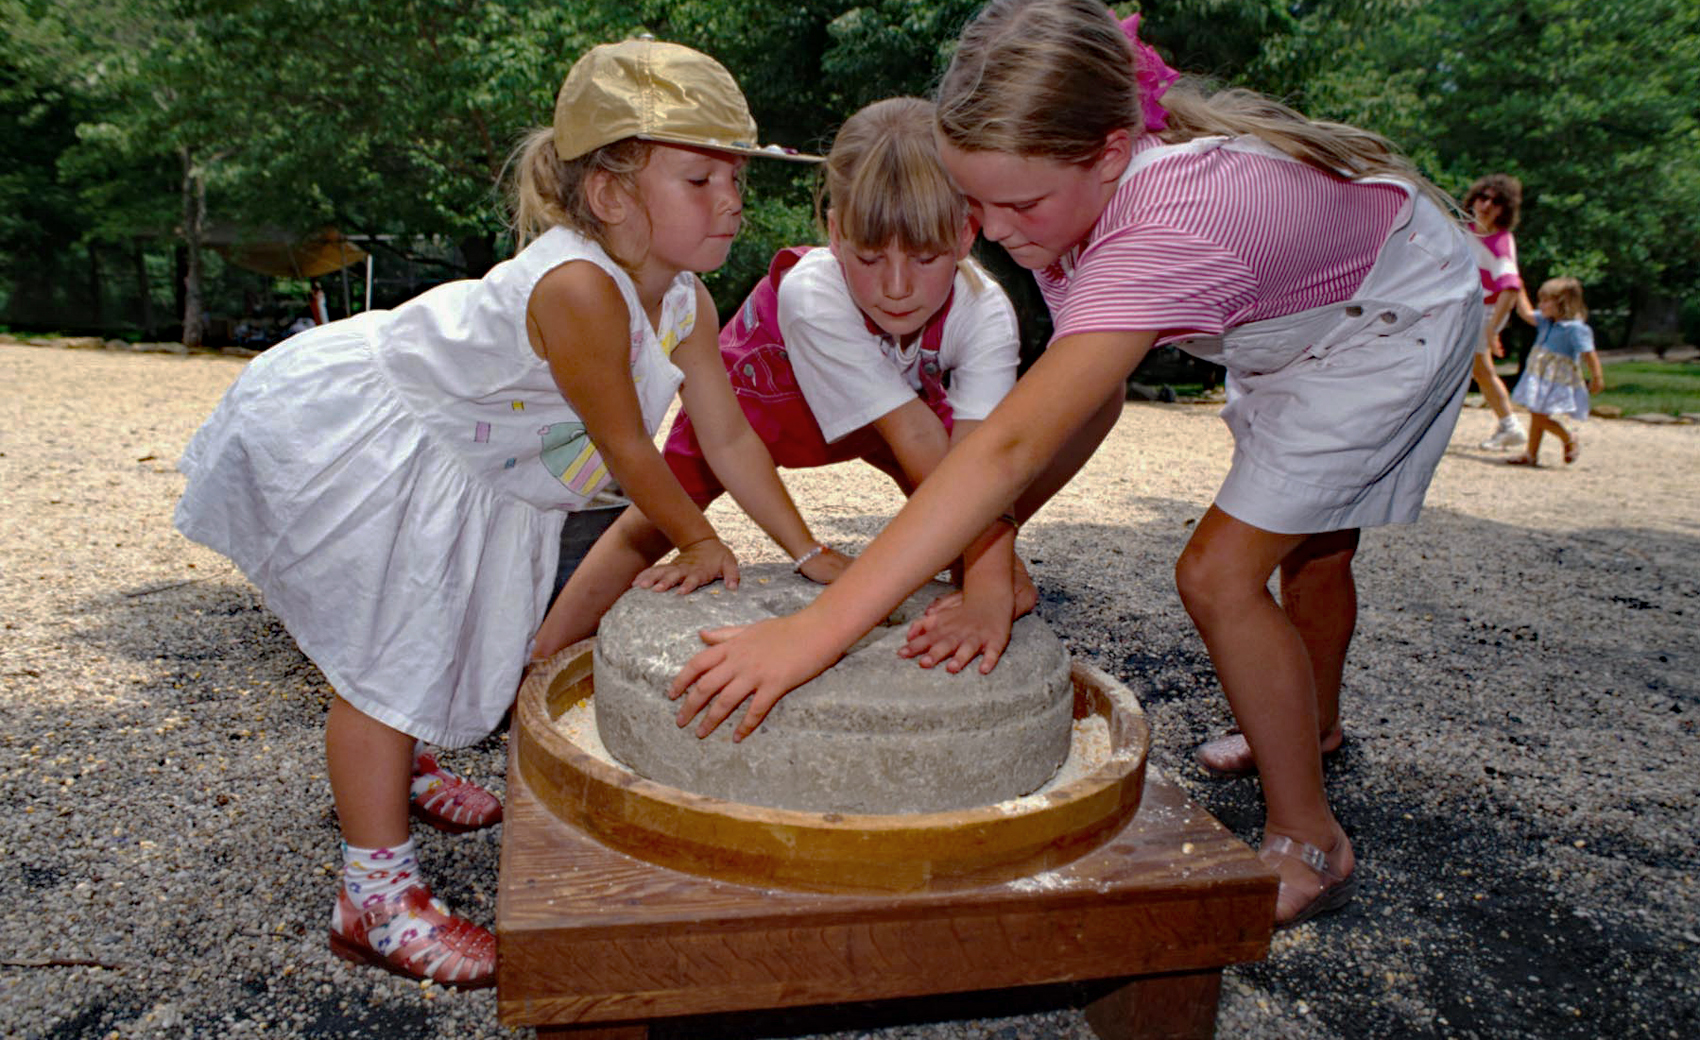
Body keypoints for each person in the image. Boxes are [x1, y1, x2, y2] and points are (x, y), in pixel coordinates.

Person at [666, 0, 1483, 929]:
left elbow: (1008, 446)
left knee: (1218, 573)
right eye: (977, 203)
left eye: (1015, 206)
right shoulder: (1063, 209)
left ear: (1107, 155)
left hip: (1387, 321)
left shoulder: (1157, 228)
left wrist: (816, 632)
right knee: (1317, 547)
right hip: (1292, 323)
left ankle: (1311, 835)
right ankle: (1312, 725)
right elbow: (1082, 404)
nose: (998, 230)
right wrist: (993, 550)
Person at [173, 37, 823, 987]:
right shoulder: (579, 290)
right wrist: (697, 536)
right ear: (610, 194)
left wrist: (807, 553)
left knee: (446, 634)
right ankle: (374, 895)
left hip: (492, 479)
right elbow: (631, 449)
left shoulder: (684, 296)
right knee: (384, 659)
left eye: (735, 177)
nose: (732, 201)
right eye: (701, 178)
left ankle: (407, 769)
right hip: (402, 449)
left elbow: (726, 438)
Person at [533, 96, 1030, 666]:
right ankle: (543, 658)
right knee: (649, 523)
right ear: (836, 232)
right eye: (869, 258)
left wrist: (991, 583)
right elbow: (917, 440)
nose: (897, 287)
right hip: (761, 400)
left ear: (966, 235)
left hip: (891, 412)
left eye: (924, 259)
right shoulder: (812, 292)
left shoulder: (985, 312)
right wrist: (808, 550)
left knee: (972, 500)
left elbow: (982, 461)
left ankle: (977, 577)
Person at [1464, 174, 1530, 450]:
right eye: (1483, 197)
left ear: (1506, 209)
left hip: (1483, 311)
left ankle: (1510, 425)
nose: (1487, 204)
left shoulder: (1499, 242)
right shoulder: (1464, 229)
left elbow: (1511, 286)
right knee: (1480, 370)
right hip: (1466, 307)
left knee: (1475, 368)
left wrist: (1492, 330)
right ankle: (1510, 425)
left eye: (1496, 201)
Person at [1507, 277, 1602, 466]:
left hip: (1556, 379)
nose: (1540, 305)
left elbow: (1589, 354)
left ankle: (1568, 437)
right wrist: (1518, 287)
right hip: (1539, 375)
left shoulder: (1575, 329)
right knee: (1536, 413)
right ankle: (1531, 454)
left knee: (1539, 415)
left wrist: (1597, 377)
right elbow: (1525, 312)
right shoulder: (1545, 322)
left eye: (1545, 301)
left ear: (1563, 303)